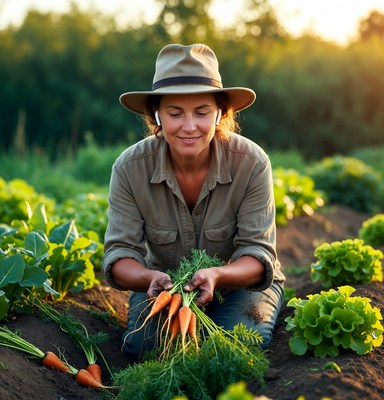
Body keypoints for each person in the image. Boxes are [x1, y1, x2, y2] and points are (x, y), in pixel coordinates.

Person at [102, 43, 285, 360]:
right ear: (156, 115)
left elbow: (257, 255)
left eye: (201, 112)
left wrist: (216, 275)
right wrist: (150, 278)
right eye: (175, 114)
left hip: (238, 285)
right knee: (147, 349)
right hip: (164, 289)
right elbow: (119, 257)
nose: (189, 127)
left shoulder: (252, 163)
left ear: (220, 113)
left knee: (234, 349)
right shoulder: (130, 168)